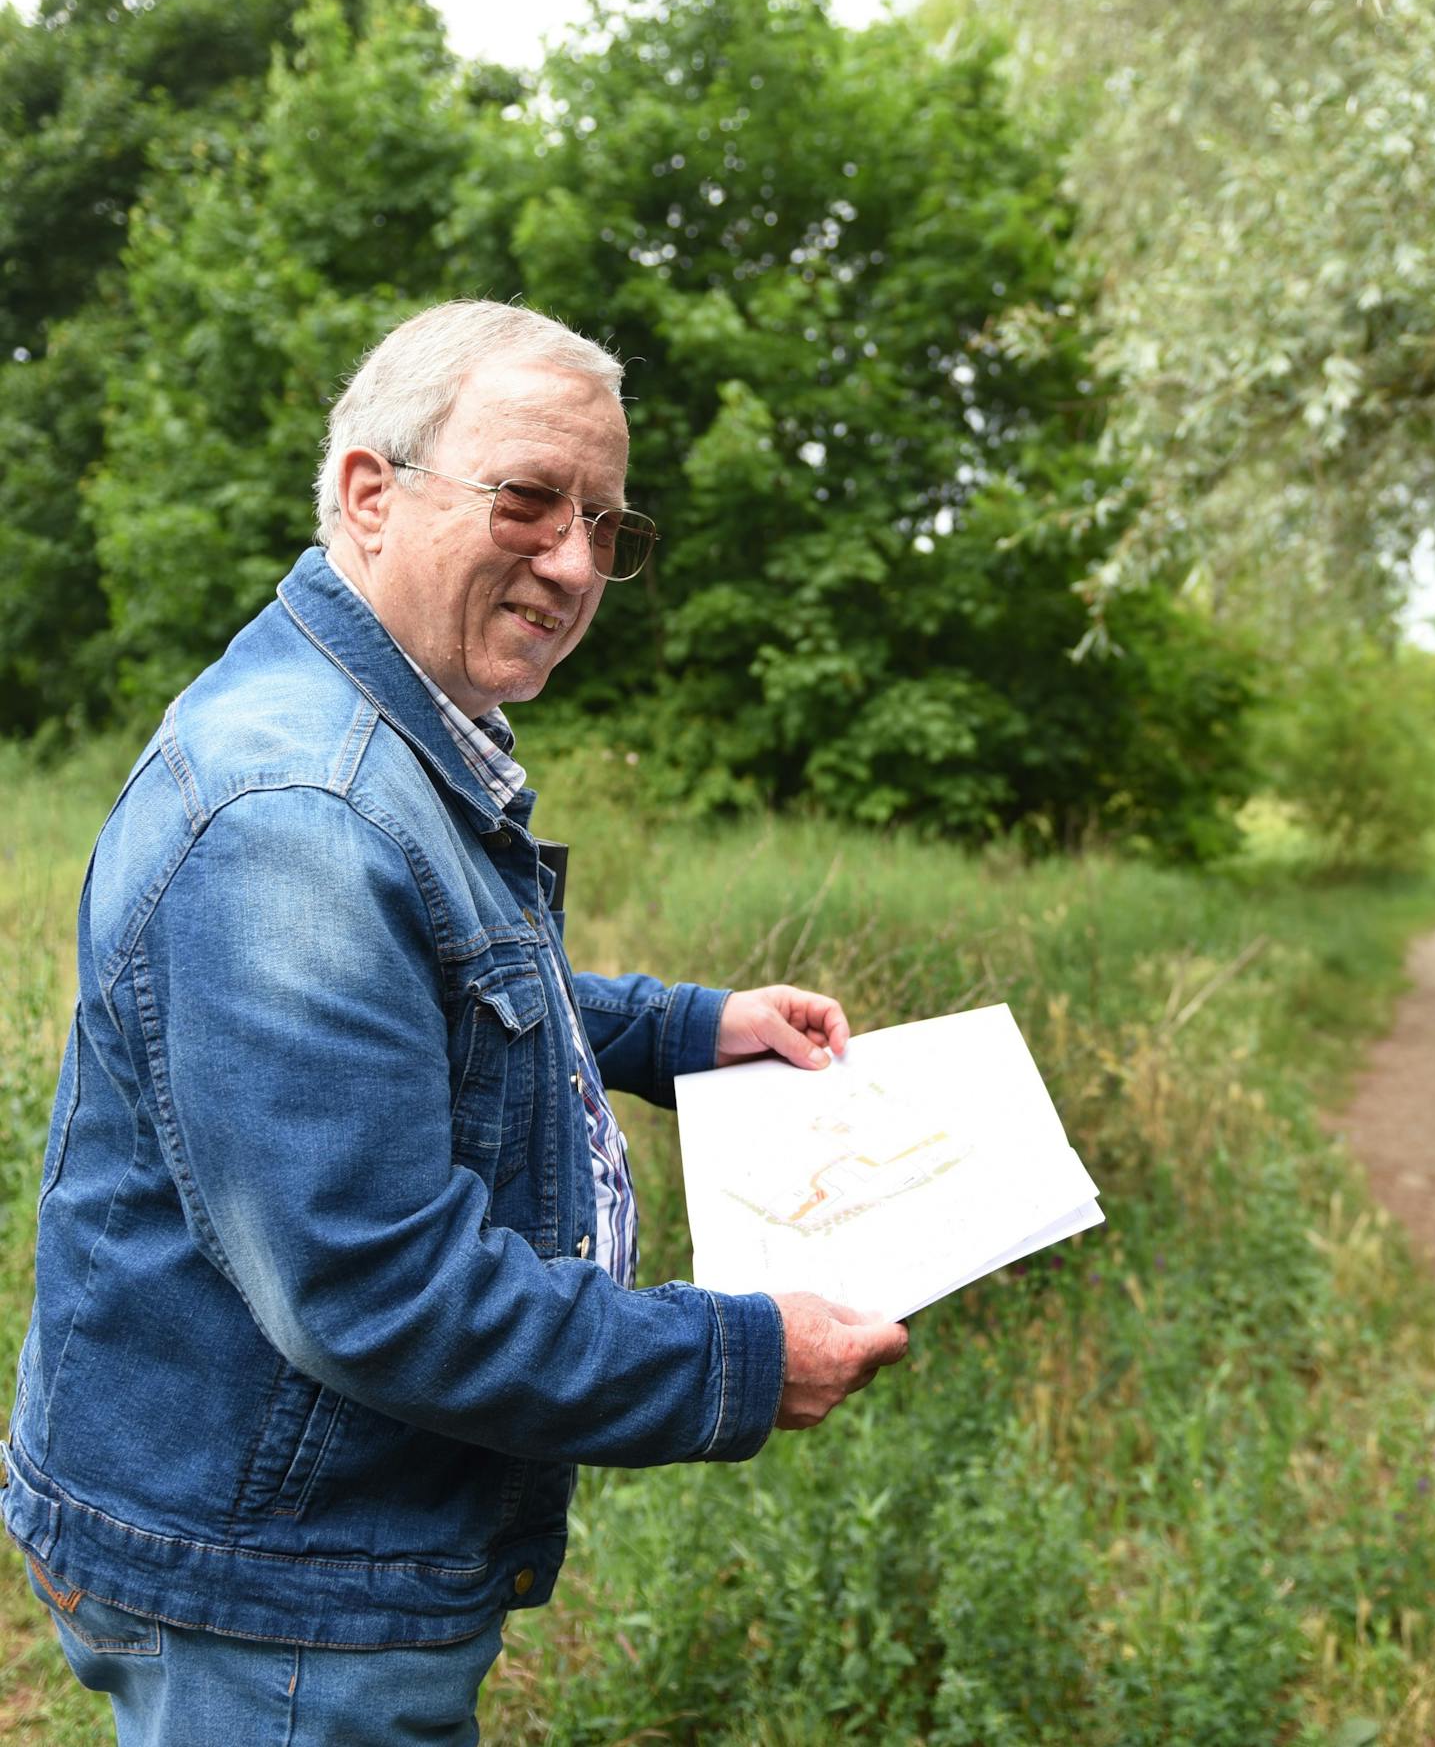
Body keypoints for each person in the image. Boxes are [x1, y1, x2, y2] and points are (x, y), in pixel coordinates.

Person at [3, 299, 908, 1743]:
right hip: (278, 1599)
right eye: (530, 501)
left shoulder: (391, 727)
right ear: (371, 493)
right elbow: (376, 1290)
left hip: (296, 1555)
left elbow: (434, 1002)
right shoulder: (293, 811)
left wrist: (685, 1030)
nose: (573, 562)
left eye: (607, 524)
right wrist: (735, 1363)